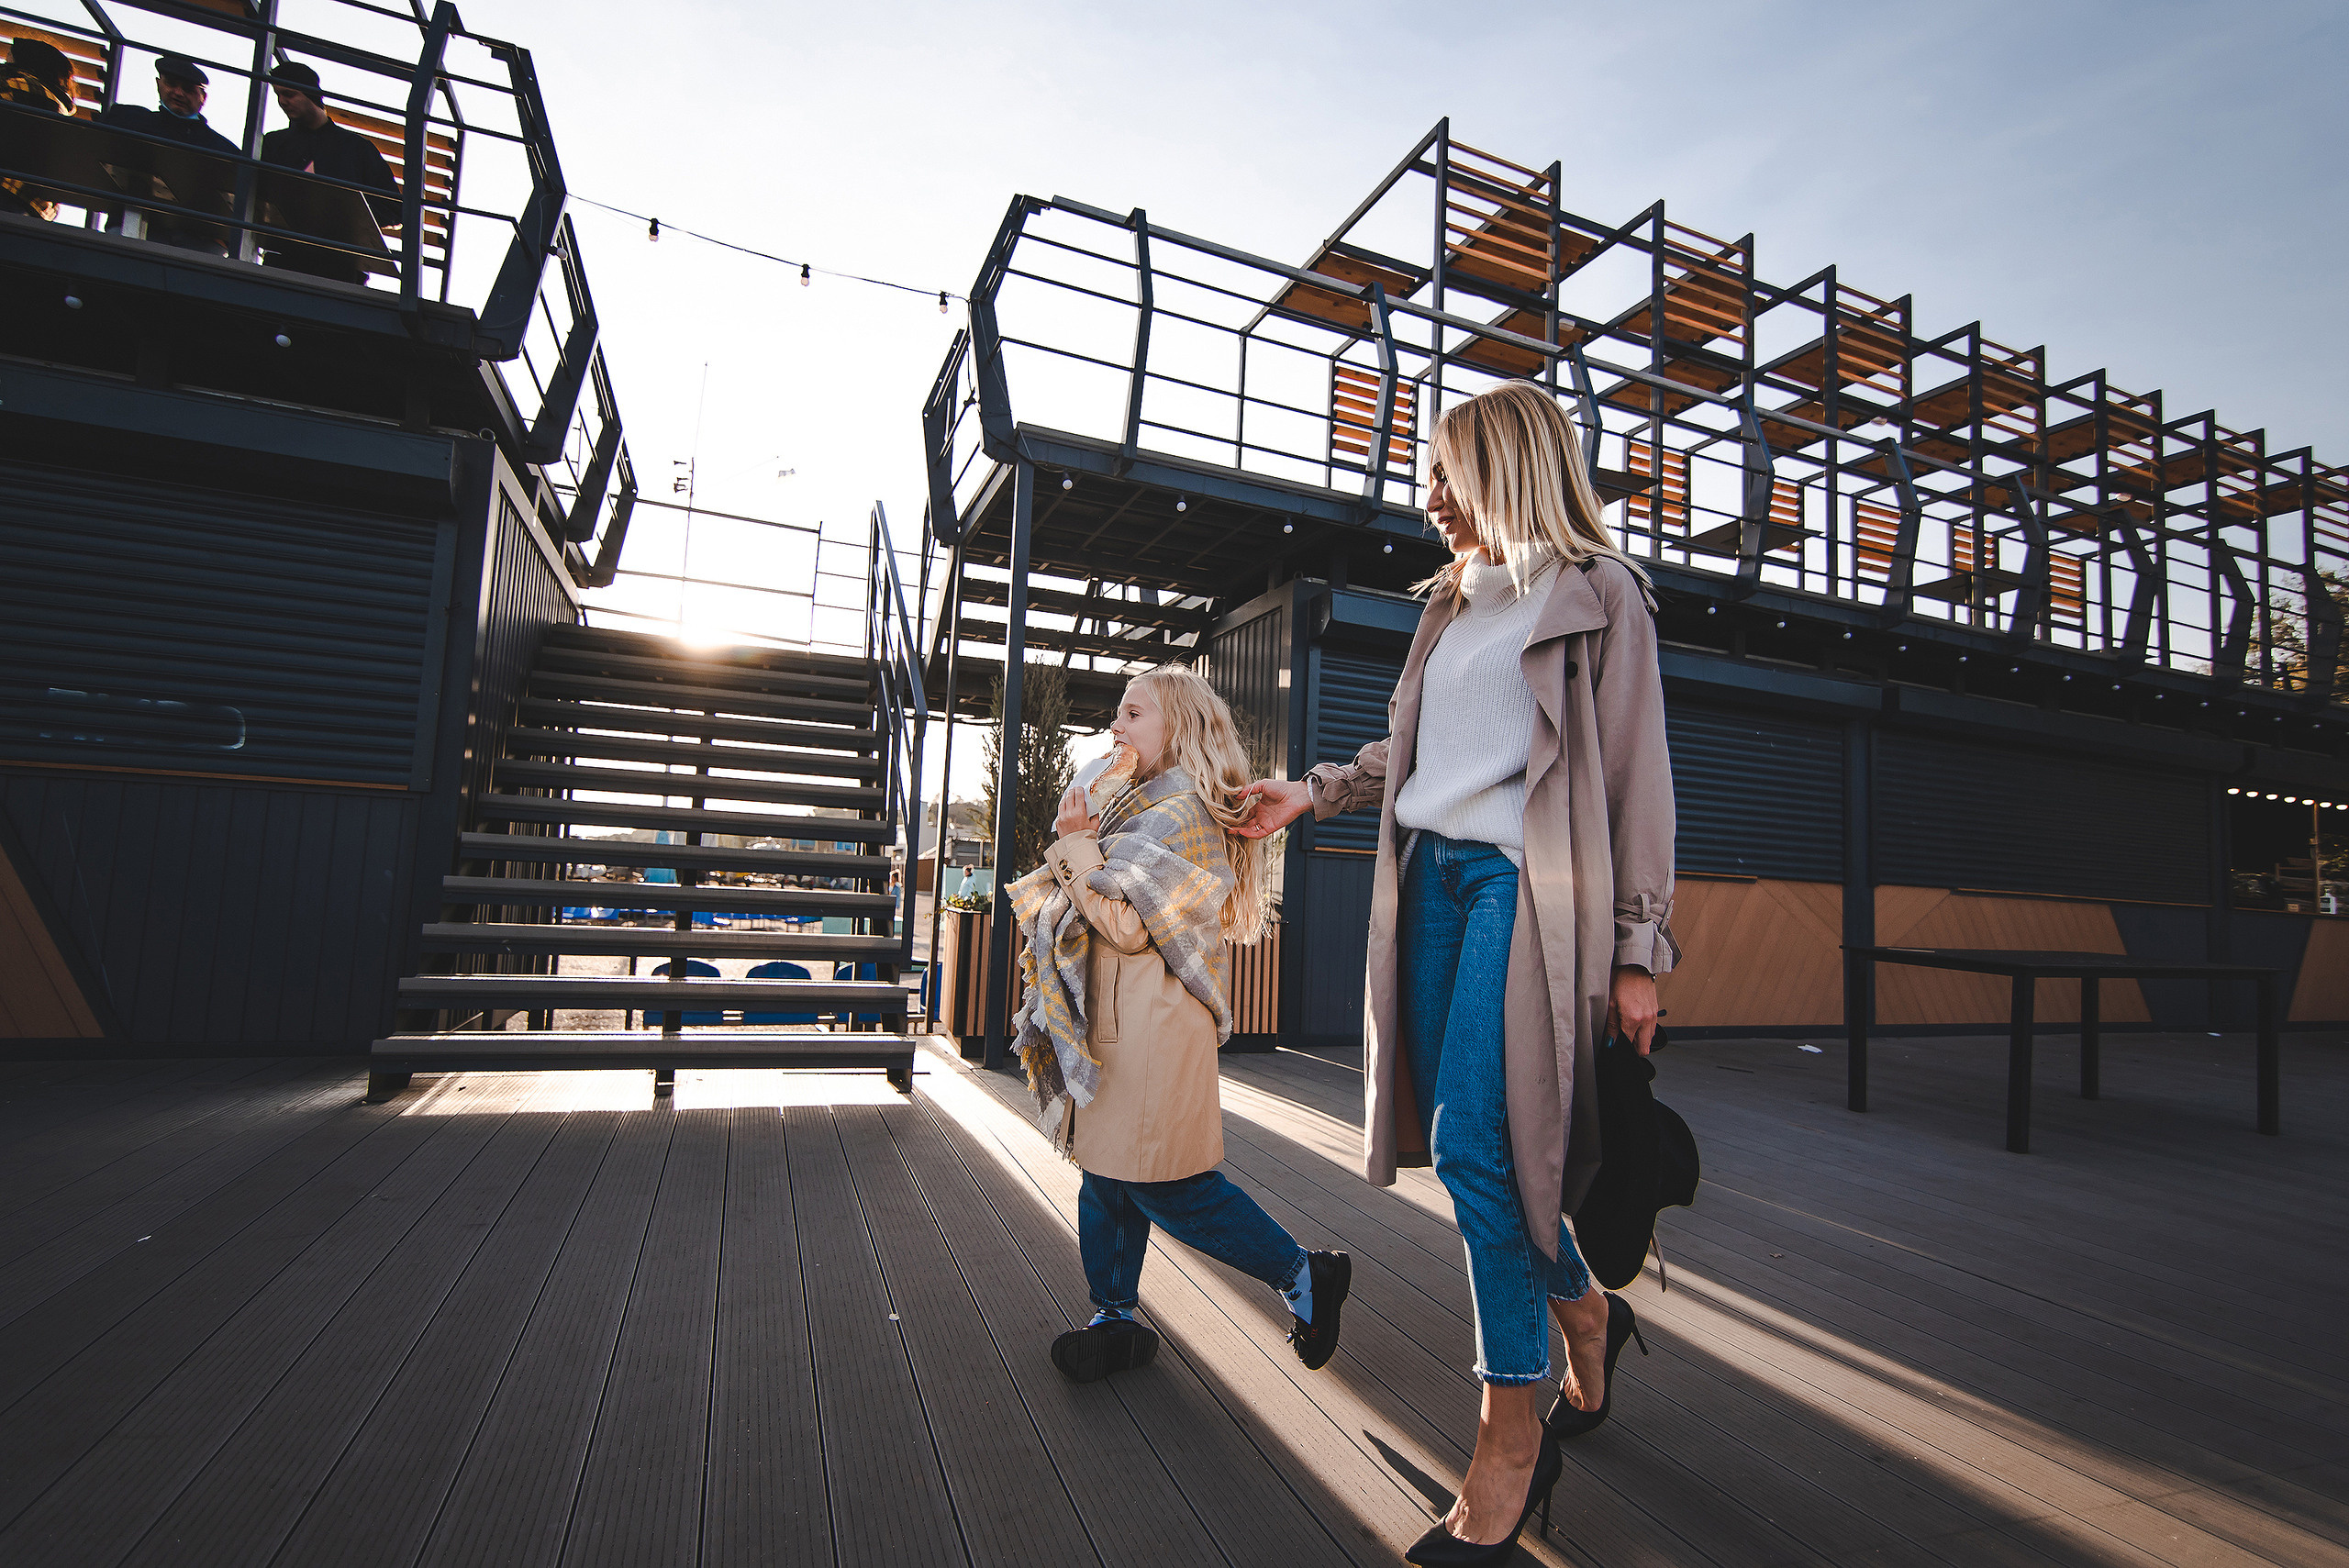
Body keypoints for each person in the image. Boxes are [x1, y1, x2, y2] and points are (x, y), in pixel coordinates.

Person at [1235, 380, 1677, 1565]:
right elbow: (1426, 750)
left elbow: (1638, 780)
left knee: (1485, 1147)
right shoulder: (1449, 606)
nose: (1426, 496)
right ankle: (1586, 1304)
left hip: (1522, 889)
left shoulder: (1601, 595)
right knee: (1462, 1141)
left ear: (1509, 466)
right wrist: (1312, 790)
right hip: (1428, 876)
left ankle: (1507, 1431)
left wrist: (1639, 951)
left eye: (1445, 471)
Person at [1009, 664, 1352, 1385]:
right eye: (1117, 714)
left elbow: (1130, 925)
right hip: (1115, 1023)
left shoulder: (1184, 814)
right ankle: (1115, 1314)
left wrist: (1074, 846)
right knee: (1105, 1175)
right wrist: (1082, 840)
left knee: (1169, 1185)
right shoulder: (1126, 806)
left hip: (1154, 1034)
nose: (1116, 727)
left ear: (1178, 729)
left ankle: (1304, 1273)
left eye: (1133, 714)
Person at [258, 60, 397, 284]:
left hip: (341, 264)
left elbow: (393, 208)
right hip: (285, 257)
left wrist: (345, 213)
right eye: (278, 95)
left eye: (290, 94)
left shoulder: (356, 148)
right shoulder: (274, 143)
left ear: (310, 94)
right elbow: (256, 194)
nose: (282, 101)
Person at [95, 53, 239, 253]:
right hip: (131, 225)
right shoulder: (128, 120)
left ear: (203, 97)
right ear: (158, 84)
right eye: (171, 84)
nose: (178, 93)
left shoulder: (225, 150)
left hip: (197, 241)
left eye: (188, 89)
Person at [2, 39, 77, 221]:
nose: (5, 63)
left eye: (8, 60)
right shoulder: (61, 109)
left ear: (25, 62)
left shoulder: (15, 83)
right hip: (34, 210)